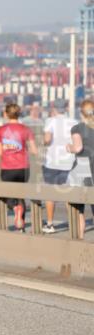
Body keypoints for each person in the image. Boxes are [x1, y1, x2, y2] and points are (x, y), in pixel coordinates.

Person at [0, 102, 37, 231]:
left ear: (6, 114)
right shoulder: (25, 129)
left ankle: (14, 208)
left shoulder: (1, 130)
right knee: (20, 195)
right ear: (19, 114)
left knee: (6, 193)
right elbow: (34, 150)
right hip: (23, 167)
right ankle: (21, 224)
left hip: (7, 167)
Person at [41, 105, 78, 233]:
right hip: (69, 162)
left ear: (54, 109)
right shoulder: (74, 122)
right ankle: (74, 224)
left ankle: (50, 224)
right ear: (66, 109)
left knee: (50, 193)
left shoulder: (50, 121)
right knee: (69, 194)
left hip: (52, 162)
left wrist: (44, 142)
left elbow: (47, 139)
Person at [68, 99, 94, 238]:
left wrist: (69, 147)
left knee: (79, 209)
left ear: (81, 112)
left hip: (83, 168)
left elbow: (78, 147)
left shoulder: (77, 128)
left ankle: (80, 238)